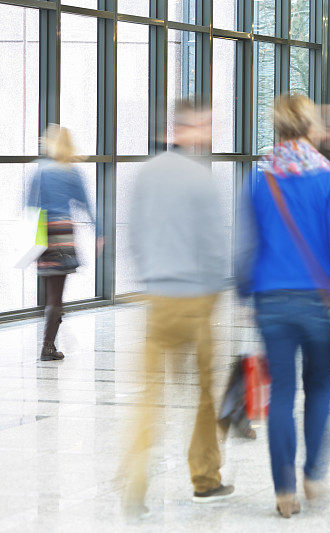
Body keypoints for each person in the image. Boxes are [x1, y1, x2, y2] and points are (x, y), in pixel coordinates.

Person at [235, 95, 330, 517]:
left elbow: (249, 246)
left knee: (281, 392)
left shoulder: (260, 179)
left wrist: (247, 296)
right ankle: (314, 474)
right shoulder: (328, 178)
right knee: (318, 388)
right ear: (311, 127)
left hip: (272, 301)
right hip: (321, 304)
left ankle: (284, 490)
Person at [120, 101, 232, 517]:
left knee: (150, 395)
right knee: (204, 394)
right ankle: (205, 478)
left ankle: (135, 480)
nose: (209, 132)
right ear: (189, 128)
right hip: (197, 299)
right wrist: (218, 294)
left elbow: (132, 234)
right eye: (206, 125)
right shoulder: (203, 178)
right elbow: (215, 245)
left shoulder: (145, 174)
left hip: (157, 298)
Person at [26, 125, 102, 361]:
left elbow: (29, 204)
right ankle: (48, 347)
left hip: (43, 233)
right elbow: (86, 205)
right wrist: (99, 232)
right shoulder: (71, 172)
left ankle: (49, 340)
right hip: (64, 233)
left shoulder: (40, 172)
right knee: (56, 295)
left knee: (50, 292)